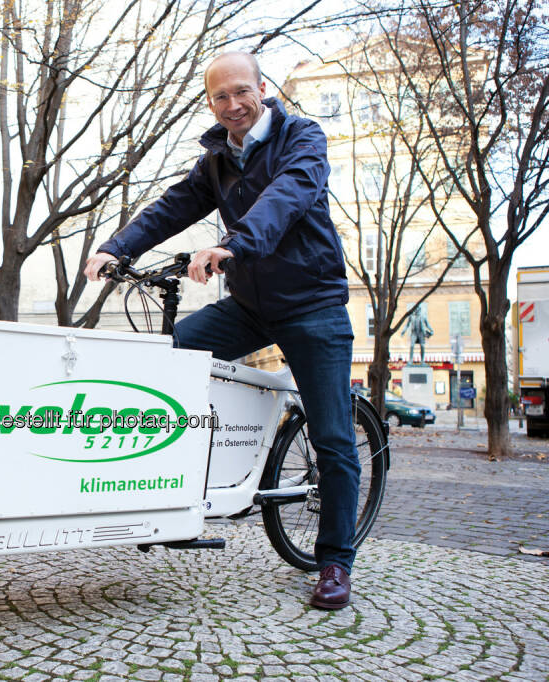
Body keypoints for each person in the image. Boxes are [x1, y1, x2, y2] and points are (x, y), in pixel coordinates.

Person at [84, 51, 359, 610]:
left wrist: (232, 244)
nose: (232, 105)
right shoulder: (215, 160)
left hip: (313, 305)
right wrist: (116, 248)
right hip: (251, 306)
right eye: (220, 96)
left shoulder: (302, 138)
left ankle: (335, 561)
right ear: (209, 102)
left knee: (332, 436)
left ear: (263, 87)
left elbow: (286, 198)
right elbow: (171, 208)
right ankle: (167, 495)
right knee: (167, 360)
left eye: (241, 91)